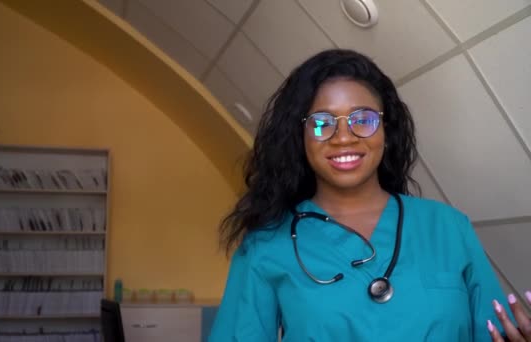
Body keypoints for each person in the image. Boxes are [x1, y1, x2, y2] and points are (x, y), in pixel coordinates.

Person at [209, 49, 531, 341]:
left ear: (387, 132)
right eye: (322, 123)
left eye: (363, 119)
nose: (344, 137)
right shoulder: (266, 246)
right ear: (300, 137)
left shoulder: (449, 227)